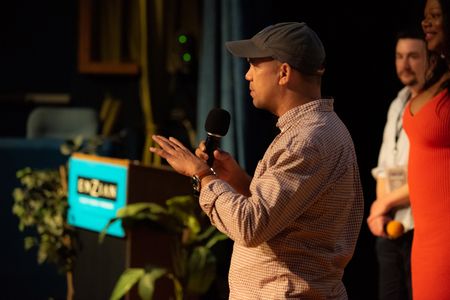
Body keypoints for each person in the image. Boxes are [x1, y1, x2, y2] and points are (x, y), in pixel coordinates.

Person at [149, 22, 364, 299]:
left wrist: (202, 174)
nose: (247, 75)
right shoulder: (312, 131)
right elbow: (283, 217)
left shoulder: (307, 140)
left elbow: (250, 226)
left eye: (254, 65)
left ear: (284, 72)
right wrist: (238, 181)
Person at [367, 30, 428, 300]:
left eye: (413, 56)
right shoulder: (398, 102)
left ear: (432, 59)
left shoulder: (437, 106)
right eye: (399, 56)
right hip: (392, 226)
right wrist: (382, 212)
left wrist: (383, 203)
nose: (404, 64)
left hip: (422, 225)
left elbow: (431, 176)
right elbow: (384, 166)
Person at [401, 0, 450, 298]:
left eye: (435, 16)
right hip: (425, 238)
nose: (425, 23)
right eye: (424, 17)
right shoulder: (436, 76)